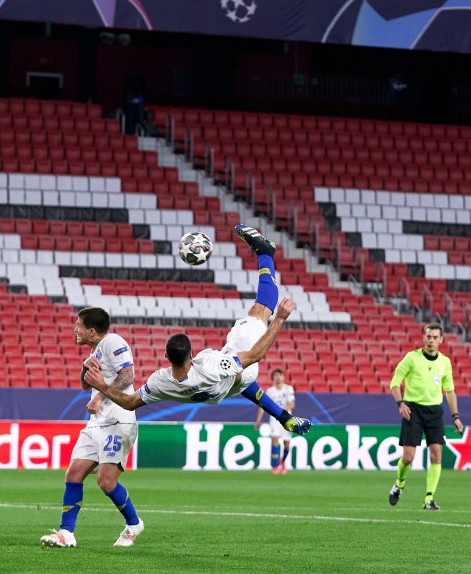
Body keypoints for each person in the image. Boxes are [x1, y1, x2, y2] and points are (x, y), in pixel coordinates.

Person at [83, 225, 312, 438]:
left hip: (226, 390)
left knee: (240, 380)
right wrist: (279, 319)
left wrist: (102, 387)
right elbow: (254, 356)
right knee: (261, 312)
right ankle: (265, 253)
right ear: (192, 355)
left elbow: (130, 402)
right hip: (237, 367)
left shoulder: (162, 383)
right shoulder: (211, 367)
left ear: (165, 357)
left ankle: (284, 417)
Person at [40, 307, 143, 549]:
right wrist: (87, 368)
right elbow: (87, 386)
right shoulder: (97, 350)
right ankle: (66, 533)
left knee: (106, 482)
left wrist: (100, 396)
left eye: (78, 325)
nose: (75, 329)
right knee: (73, 474)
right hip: (98, 422)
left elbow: (128, 376)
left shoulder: (113, 342)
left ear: (92, 331)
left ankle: (134, 523)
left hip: (118, 420)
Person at [388, 323, 463, 510]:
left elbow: (450, 391)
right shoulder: (411, 358)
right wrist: (400, 404)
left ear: (441, 340)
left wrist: (456, 416)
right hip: (412, 409)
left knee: (437, 454)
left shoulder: (445, 362)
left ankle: (429, 499)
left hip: (434, 411)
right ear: (423, 338)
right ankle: (399, 483)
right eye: (428, 337)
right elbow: (395, 383)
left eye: (435, 337)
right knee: (408, 457)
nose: (431, 340)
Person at [254, 368, 296, 474]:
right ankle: (275, 466)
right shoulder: (270, 391)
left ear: (283, 377)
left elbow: (292, 404)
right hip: (274, 419)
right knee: (275, 440)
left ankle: (283, 461)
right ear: (273, 378)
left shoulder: (288, 389)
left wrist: (280, 411)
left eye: (280, 375)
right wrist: (258, 420)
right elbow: (263, 406)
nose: (278, 377)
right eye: (276, 375)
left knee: (286, 444)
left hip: (287, 419)